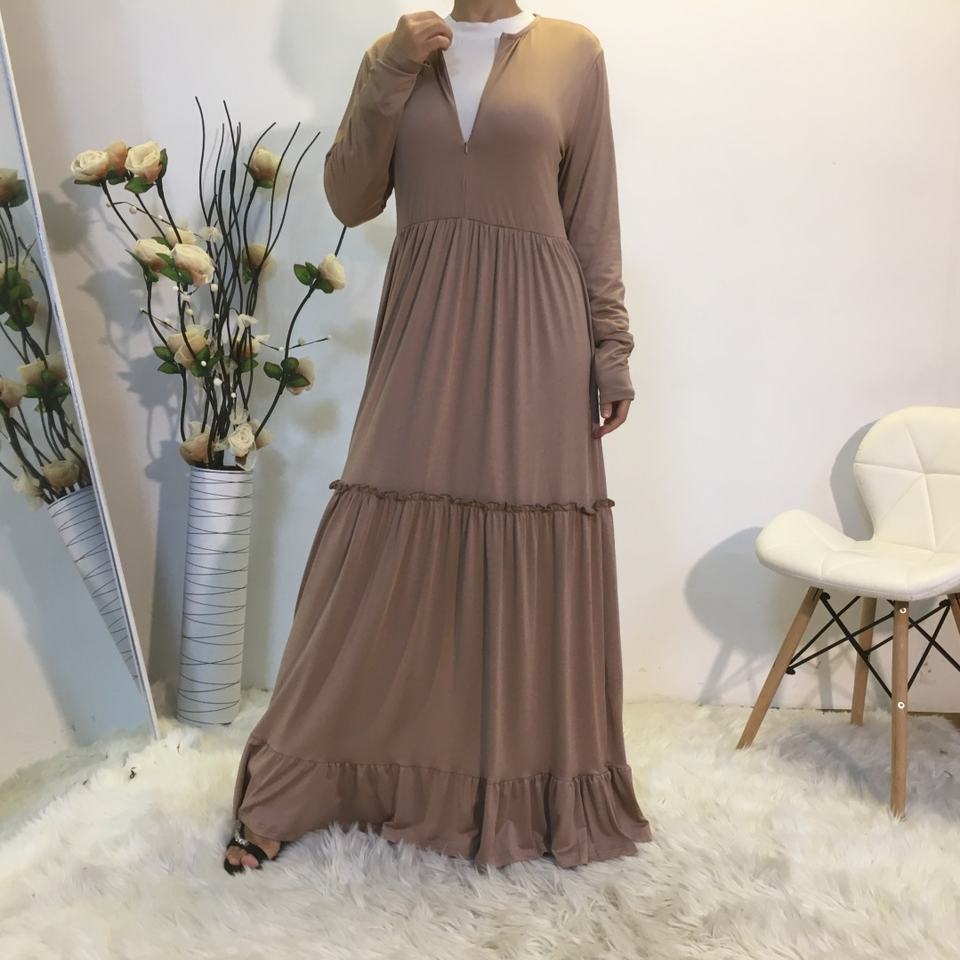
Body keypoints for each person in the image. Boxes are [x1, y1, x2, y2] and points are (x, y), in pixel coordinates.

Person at [224, 1, 652, 874]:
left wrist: (610, 348)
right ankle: (299, 784)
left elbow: (592, 216)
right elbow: (350, 198)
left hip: (539, 334)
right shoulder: (397, 53)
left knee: (524, 538)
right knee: (381, 542)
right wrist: (390, 69)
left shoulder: (573, 53)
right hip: (426, 322)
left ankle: (520, 794)